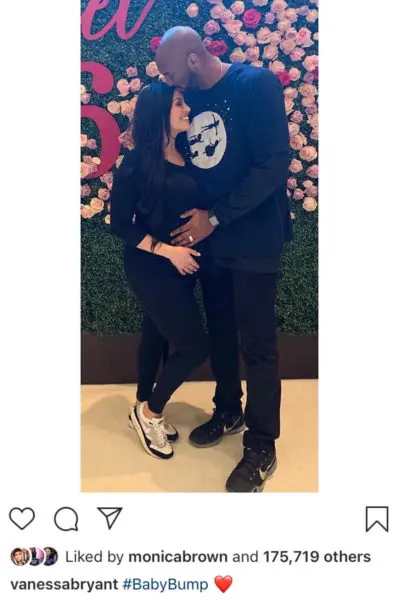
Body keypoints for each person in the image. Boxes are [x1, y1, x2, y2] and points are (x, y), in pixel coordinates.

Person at [156, 27, 292, 492]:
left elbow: (274, 164)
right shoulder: (188, 101)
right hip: (211, 242)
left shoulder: (255, 85)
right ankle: (229, 409)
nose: (168, 82)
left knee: (257, 344)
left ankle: (262, 444)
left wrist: (215, 217)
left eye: (170, 73)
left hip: (254, 238)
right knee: (219, 332)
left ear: (194, 60)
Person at [110, 82, 242, 459]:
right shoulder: (137, 163)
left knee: (157, 335)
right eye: (179, 104)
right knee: (193, 346)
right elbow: (120, 225)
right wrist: (169, 252)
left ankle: (145, 404)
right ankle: (149, 413)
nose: (187, 110)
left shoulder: (188, 155)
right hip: (152, 268)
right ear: (159, 113)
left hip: (183, 269)